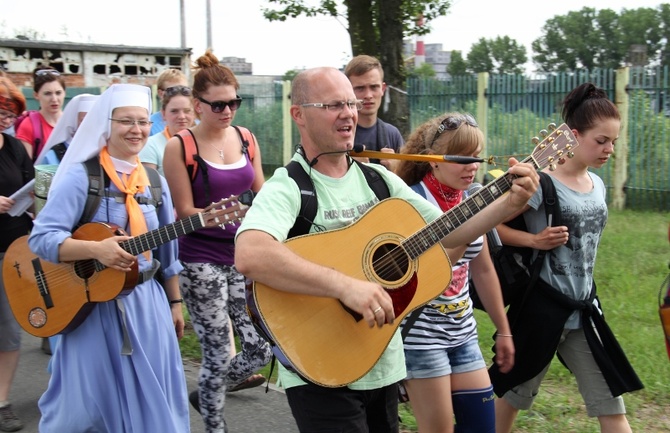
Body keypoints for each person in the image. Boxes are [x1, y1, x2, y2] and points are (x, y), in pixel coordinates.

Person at [234, 66, 538, 432]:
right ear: (298, 114)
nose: (349, 112)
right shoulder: (288, 187)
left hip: (382, 361)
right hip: (318, 365)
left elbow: (448, 232)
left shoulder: (379, 180)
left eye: (350, 102)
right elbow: (250, 254)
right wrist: (345, 285)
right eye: (333, 105)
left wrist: (506, 203)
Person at [27, 83, 209, 432]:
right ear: (106, 125)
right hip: (92, 309)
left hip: (146, 304)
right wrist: (96, 249)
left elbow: (167, 253)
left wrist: (173, 302)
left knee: (154, 394)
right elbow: (42, 239)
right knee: (89, 405)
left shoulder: (153, 181)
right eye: (126, 121)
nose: (137, 130)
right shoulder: (83, 177)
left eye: (142, 121)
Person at [491, 82, 643, 433]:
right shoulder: (540, 183)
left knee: (610, 403)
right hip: (542, 310)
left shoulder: (598, 185)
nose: (609, 149)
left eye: (613, 142)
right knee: (512, 396)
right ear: (573, 136)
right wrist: (534, 239)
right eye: (600, 140)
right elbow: (491, 228)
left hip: (583, 308)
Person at [163, 50, 271, 433]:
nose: (228, 111)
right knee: (216, 354)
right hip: (199, 260)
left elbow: (262, 194)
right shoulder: (181, 147)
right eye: (219, 104)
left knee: (259, 348)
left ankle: (209, 391)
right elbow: (183, 213)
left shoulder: (246, 139)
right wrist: (211, 215)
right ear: (198, 106)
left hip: (241, 257)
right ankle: (214, 425)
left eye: (234, 102)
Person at [394, 112, 514, 433]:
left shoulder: (474, 197)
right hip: (420, 338)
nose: (472, 166)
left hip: (463, 333)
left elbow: (484, 269)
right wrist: (466, 222)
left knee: (481, 427)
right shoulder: (413, 201)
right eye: (462, 157)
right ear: (433, 161)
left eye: (476, 157)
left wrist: (503, 330)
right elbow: (434, 266)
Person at [0, 76, 30, 433]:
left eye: (10, 111)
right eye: (2, 109)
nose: (6, 116)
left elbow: (29, 192)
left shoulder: (16, 149)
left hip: (11, 251)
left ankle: (3, 401)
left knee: (9, 331)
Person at [344, 54, 404, 171]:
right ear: (348, 91)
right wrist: (348, 168)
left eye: (374, 87)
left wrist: (396, 169)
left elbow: (407, 183)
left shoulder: (392, 134)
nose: (368, 95)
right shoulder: (338, 134)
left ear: (382, 89)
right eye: (360, 88)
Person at [140, 85, 195, 175]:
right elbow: (150, 186)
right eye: (174, 111)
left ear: (195, 113)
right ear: (163, 114)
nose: (181, 116)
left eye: (187, 110)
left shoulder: (204, 142)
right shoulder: (151, 146)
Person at [15, 66, 65, 159]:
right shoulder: (28, 125)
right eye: (47, 93)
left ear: (64, 93)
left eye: (58, 93)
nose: (54, 99)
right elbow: (25, 168)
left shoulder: (73, 123)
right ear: (36, 95)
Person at [35, 93, 99, 165]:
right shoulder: (53, 155)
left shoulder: (105, 150)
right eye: (84, 120)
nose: (90, 125)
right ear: (74, 121)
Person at [150, 69, 189, 136]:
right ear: (160, 93)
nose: (179, 95)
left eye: (184, 90)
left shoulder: (197, 122)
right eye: (173, 91)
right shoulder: (149, 125)